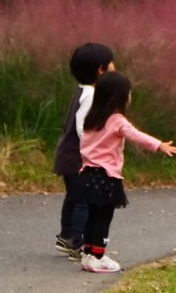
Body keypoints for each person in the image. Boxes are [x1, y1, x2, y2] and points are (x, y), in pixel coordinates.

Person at [78, 70, 176, 273]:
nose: (130, 96)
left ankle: (87, 254)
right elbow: (135, 135)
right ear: (120, 96)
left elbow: (84, 144)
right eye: (128, 92)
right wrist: (158, 145)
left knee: (92, 215)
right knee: (103, 217)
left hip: (87, 173)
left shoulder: (92, 118)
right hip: (106, 176)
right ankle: (98, 257)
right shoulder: (116, 120)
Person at [52, 42, 115, 260]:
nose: (114, 68)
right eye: (111, 64)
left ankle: (67, 236)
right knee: (84, 202)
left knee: (74, 197)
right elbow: (83, 125)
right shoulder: (91, 95)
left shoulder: (82, 91)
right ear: (100, 70)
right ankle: (78, 244)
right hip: (79, 157)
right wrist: (95, 147)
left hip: (68, 155)